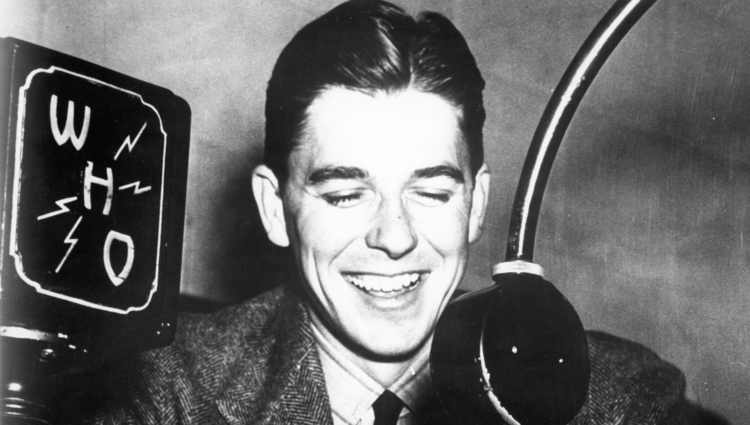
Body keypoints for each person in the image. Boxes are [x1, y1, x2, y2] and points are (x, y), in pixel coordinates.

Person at [89, 1, 723, 424]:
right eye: (345, 194)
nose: (394, 238)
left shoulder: (620, 399)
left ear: (475, 205)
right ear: (274, 209)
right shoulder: (160, 394)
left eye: (431, 193)